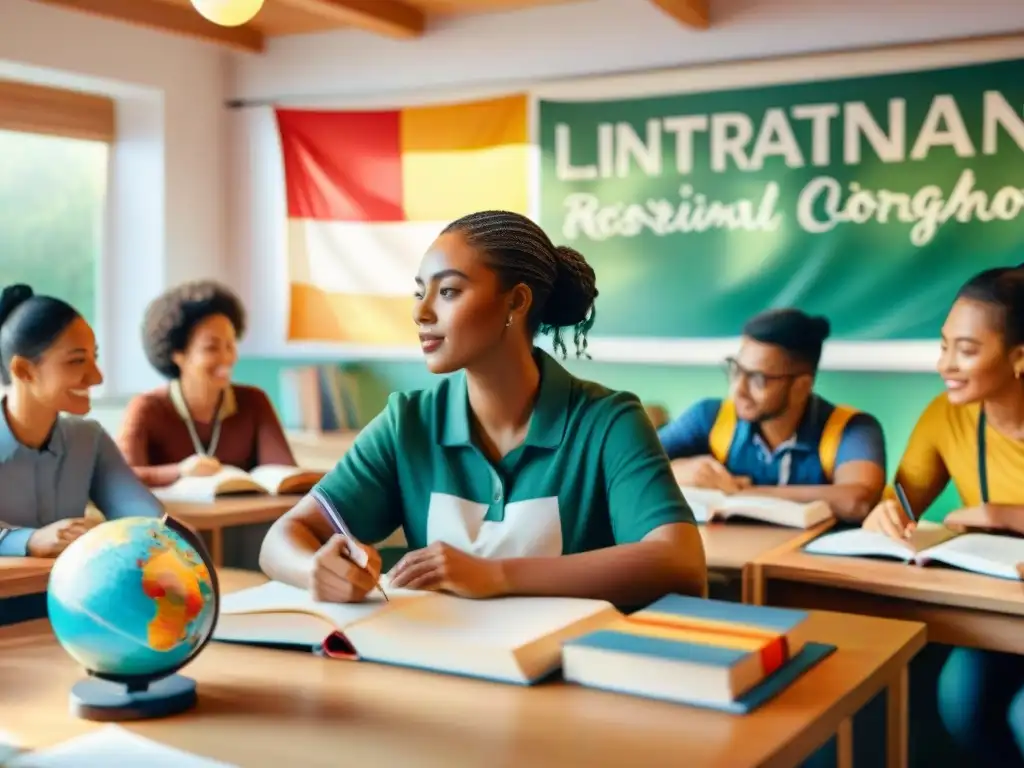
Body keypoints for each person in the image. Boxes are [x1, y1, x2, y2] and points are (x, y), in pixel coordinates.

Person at [259, 210, 707, 607]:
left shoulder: (609, 422)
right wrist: (314, 571)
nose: (422, 313)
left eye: (449, 291)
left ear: (516, 302)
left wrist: (495, 574)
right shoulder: (407, 423)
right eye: (420, 293)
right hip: (442, 671)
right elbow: (281, 539)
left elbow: (680, 562)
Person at [862, 264, 1024, 765]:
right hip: (999, 612)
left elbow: (998, 516)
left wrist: (1006, 514)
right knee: (961, 701)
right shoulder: (947, 414)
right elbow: (897, 503)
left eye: (967, 350)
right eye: (944, 345)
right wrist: (884, 515)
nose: (945, 365)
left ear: (1019, 358)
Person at [658, 309, 887, 523]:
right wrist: (679, 472)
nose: (738, 389)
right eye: (736, 370)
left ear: (801, 386)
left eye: (758, 379)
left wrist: (743, 492)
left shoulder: (851, 429)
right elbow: (628, 465)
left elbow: (857, 500)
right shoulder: (710, 418)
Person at [0, 284, 163, 559]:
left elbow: (145, 518)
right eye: (77, 361)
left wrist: (175, 540)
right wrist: (27, 540)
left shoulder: (89, 440)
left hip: (65, 600)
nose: (97, 377)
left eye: (94, 358)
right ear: (23, 370)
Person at [117, 280, 296, 487]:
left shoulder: (254, 402)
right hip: (171, 519)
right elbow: (122, 481)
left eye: (230, 345)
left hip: (246, 518)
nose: (227, 357)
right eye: (212, 348)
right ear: (178, 354)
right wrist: (180, 471)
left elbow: (286, 476)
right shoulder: (146, 408)